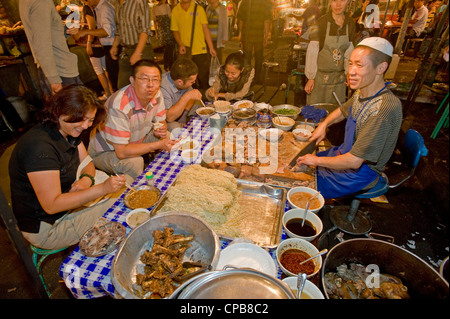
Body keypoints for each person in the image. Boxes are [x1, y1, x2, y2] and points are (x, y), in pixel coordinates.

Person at [8, 85, 128, 250]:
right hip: (49, 227)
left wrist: (87, 180)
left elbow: (87, 164)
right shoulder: (39, 148)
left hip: (66, 208)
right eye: (80, 118)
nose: (86, 125)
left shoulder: (68, 132)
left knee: (124, 189)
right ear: (59, 110)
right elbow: (52, 205)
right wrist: (102, 189)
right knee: (120, 202)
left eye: (90, 119)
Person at [296, 37, 402, 200]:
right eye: (350, 63)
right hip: (345, 153)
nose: (351, 71)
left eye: (359, 65)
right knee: (300, 165)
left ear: (381, 68)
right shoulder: (363, 91)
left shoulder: (381, 110)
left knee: (302, 188)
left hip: (360, 173)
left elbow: (354, 161)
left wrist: (315, 160)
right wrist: (324, 124)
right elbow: (343, 111)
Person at [88, 59, 177, 179]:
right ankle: (139, 188)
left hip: (136, 140)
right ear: (132, 81)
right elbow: (122, 152)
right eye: (144, 79)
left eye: (155, 79)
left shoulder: (157, 94)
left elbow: (161, 122)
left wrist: (161, 129)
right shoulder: (119, 106)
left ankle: (163, 175)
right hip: (107, 151)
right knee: (135, 162)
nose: (150, 84)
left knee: (169, 137)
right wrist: (157, 144)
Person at [19, 0, 82, 97]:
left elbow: (45, 36)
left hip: (52, 68)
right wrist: (54, 79)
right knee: (77, 109)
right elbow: (41, 43)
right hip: (60, 70)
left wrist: (66, 30)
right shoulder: (40, 2)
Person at [304, 0, 356, 105]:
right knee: (316, 112)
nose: (338, 4)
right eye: (334, 0)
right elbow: (312, 51)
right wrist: (310, 77)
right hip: (319, 80)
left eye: (342, 0)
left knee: (335, 114)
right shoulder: (321, 22)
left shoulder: (350, 23)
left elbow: (349, 50)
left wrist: (348, 73)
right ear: (330, 2)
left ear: (348, 2)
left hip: (339, 81)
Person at [67, 0, 119, 92]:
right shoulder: (99, 8)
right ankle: (111, 94)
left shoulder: (104, 8)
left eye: (86, 1)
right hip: (107, 45)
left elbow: (107, 31)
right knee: (108, 72)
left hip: (110, 45)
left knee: (109, 75)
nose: (86, 3)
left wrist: (85, 34)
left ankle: (111, 94)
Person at [171, 0, 217, 90]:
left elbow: (205, 29)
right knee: (188, 80)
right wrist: (180, 44)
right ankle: (191, 100)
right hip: (186, 52)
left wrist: (211, 48)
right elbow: (175, 30)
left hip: (201, 50)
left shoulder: (199, 9)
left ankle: (205, 100)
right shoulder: (175, 10)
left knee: (203, 79)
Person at [110, 0, 154, 90]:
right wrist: (114, 46)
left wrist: (138, 53)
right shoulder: (117, 4)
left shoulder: (139, 2)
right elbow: (119, 28)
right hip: (125, 50)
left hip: (142, 50)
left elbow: (145, 30)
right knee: (123, 87)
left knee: (145, 87)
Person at [160, 57, 203, 131]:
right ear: (180, 82)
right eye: (192, 82)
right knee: (176, 128)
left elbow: (192, 95)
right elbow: (169, 118)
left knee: (200, 107)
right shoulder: (163, 87)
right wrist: (186, 97)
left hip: (179, 109)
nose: (194, 83)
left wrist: (184, 115)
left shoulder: (182, 77)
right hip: (164, 118)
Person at [237, 0, 272, 84]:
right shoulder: (265, 3)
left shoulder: (245, 2)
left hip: (247, 34)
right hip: (259, 34)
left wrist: (241, 33)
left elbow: (240, 20)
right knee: (259, 55)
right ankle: (257, 77)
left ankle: (247, 76)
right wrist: (266, 36)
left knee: (247, 55)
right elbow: (266, 21)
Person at [153, 0, 177, 71]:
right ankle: (169, 65)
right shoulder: (166, 6)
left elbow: (155, 21)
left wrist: (157, 33)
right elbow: (171, 18)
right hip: (168, 30)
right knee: (170, 48)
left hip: (161, 31)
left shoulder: (154, 8)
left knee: (166, 48)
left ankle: (167, 64)